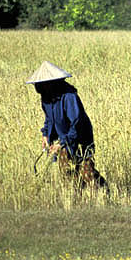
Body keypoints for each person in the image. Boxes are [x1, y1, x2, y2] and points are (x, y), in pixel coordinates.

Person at [26, 61, 106, 190]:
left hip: (80, 138)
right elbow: (49, 119)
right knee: (66, 170)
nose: (41, 87)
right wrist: (45, 135)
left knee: (86, 171)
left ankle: (103, 192)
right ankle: (78, 196)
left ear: (53, 82)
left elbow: (77, 122)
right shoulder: (46, 98)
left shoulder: (69, 96)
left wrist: (63, 142)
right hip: (64, 139)